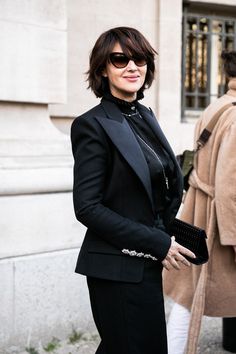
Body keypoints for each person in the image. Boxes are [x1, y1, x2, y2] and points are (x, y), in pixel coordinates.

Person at [71, 26, 195, 354]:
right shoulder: (91, 125)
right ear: (102, 69)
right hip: (116, 268)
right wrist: (157, 242)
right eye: (119, 59)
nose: (132, 66)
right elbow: (87, 207)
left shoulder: (144, 115)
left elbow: (157, 188)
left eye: (139, 59)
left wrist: (169, 232)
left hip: (147, 263)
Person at [164, 50, 236, 354]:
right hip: (219, 223)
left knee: (186, 297)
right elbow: (230, 186)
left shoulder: (217, 106)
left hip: (200, 211)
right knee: (189, 296)